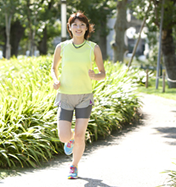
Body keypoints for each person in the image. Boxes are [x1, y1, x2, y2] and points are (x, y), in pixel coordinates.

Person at [51, 11, 106, 179]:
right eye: (75, 24)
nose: (78, 28)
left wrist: (95, 76)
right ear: (70, 28)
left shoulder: (93, 48)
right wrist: (55, 80)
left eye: (82, 24)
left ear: (87, 28)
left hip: (84, 96)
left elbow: (102, 73)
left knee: (81, 134)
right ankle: (70, 139)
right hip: (65, 95)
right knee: (64, 136)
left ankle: (74, 166)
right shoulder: (62, 47)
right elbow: (53, 68)